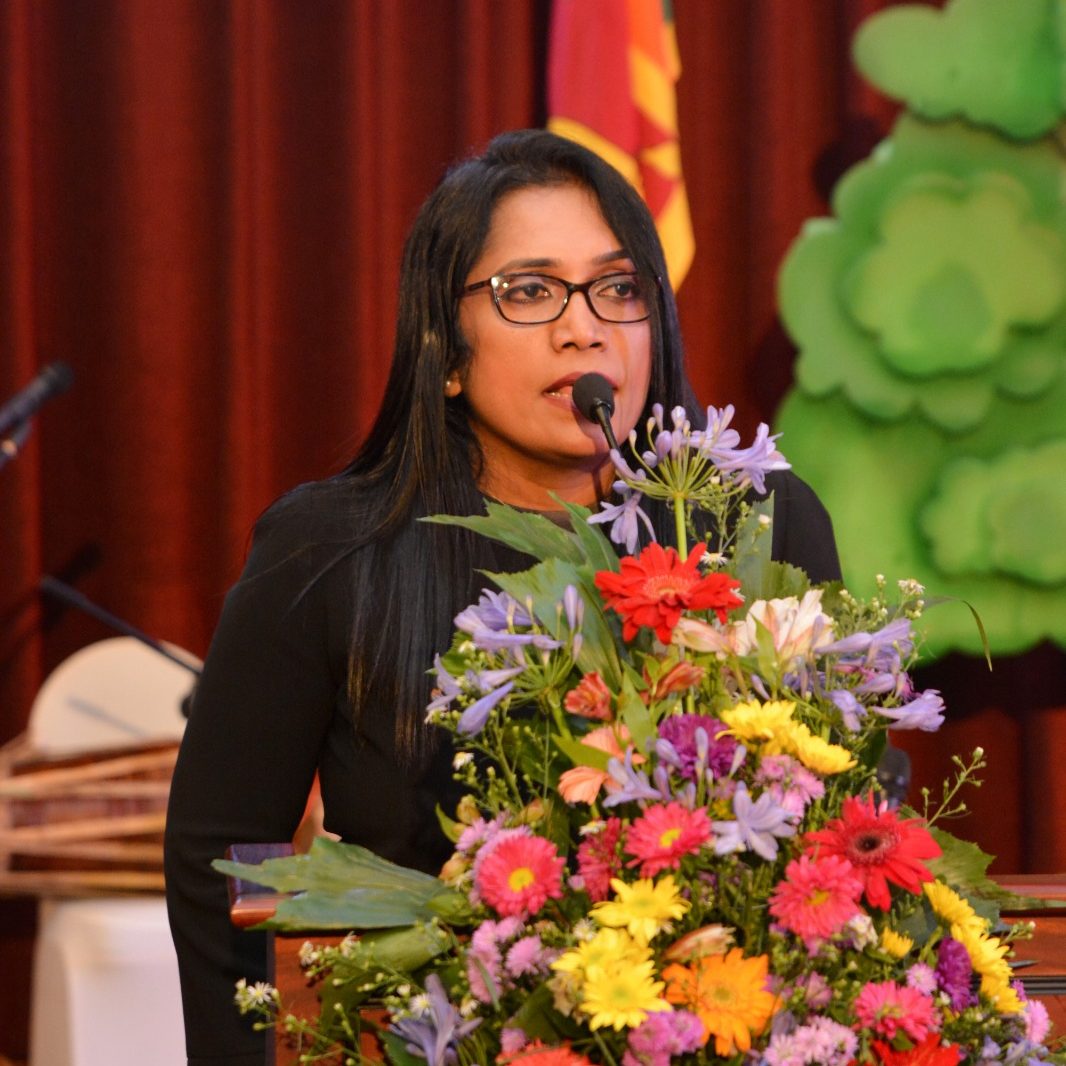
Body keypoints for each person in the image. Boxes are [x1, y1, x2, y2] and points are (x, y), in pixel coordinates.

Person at [163, 128, 841, 1065]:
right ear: (444, 349)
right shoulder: (332, 549)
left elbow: (838, 806)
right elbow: (221, 857)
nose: (584, 328)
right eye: (529, 291)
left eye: (618, 288)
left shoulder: (754, 522)